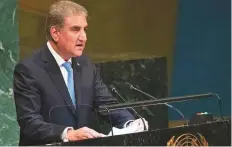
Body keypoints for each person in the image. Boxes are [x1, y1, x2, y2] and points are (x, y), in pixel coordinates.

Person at [13, 0, 148, 146]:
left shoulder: (85, 65)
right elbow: (30, 122)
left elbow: (106, 104)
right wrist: (68, 134)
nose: (84, 37)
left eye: (85, 29)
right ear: (55, 33)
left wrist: (131, 123)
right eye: (75, 29)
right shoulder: (29, 69)